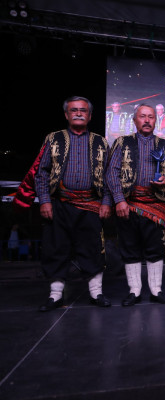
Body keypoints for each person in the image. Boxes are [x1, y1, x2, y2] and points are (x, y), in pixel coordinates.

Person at [34, 96, 112, 311]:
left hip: (91, 205)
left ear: (90, 115)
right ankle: (55, 295)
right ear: (66, 114)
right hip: (59, 204)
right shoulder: (53, 138)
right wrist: (44, 201)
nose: (78, 113)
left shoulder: (101, 142)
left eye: (83, 110)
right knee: (56, 248)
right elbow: (41, 172)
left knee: (93, 249)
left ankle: (96, 293)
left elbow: (109, 176)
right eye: (74, 110)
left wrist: (106, 202)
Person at [106, 104, 165, 306]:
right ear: (134, 120)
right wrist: (119, 200)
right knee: (130, 248)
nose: (147, 120)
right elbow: (112, 173)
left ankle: (156, 291)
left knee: (155, 248)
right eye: (142, 116)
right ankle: (134, 291)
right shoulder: (122, 142)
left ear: (155, 120)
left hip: (156, 205)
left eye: (151, 117)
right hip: (128, 204)